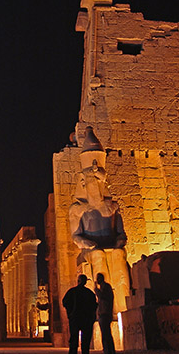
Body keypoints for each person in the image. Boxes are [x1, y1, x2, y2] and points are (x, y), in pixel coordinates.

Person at [69, 126, 130, 313]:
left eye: (97, 180)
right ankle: (105, 307)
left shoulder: (112, 207)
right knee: (98, 256)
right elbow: (76, 236)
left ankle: (123, 306)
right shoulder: (78, 209)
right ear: (83, 182)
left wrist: (120, 242)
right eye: (90, 180)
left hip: (111, 245)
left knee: (119, 256)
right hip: (91, 248)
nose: (94, 186)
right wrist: (87, 243)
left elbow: (121, 233)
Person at [62, 274, 97, 354]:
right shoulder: (89, 293)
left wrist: (70, 313)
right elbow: (94, 306)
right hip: (86, 319)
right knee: (85, 341)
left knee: (74, 340)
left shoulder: (72, 291)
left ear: (78, 281)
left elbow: (65, 302)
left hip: (75, 318)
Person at [95, 273, 116, 354]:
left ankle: (109, 350)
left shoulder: (106, 287)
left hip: (105, 313)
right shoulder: (103, 287)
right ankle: (107, 349)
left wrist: (96, 290)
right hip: (102, 313)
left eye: (98, 278)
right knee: (104, 333)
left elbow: (102, 296)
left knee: (106, 333)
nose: (97, 280)